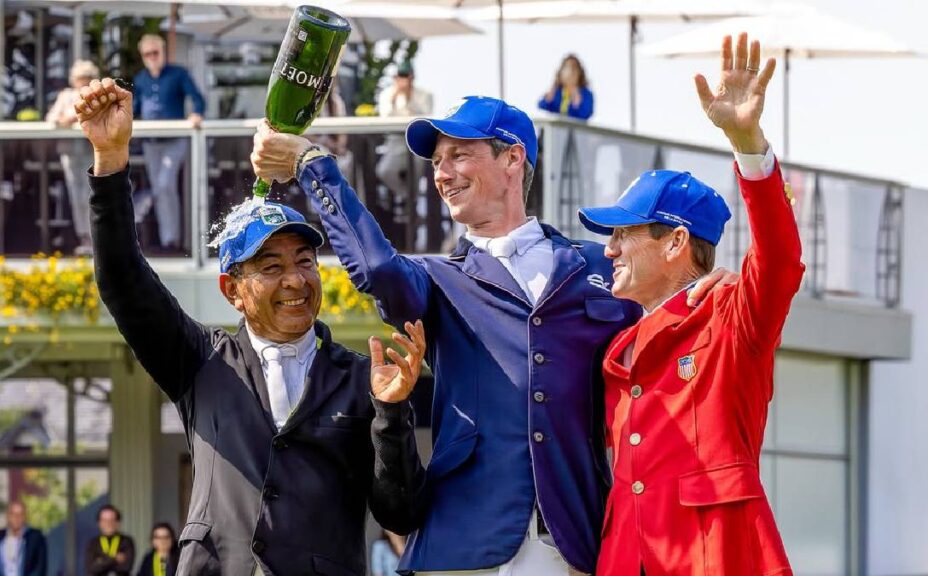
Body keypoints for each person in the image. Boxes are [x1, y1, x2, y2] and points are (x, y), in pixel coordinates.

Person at [252, 94, 732, 573]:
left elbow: (676, 316)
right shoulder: (437, 278)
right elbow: (376, 267)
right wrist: (312, 165)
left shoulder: (599, 266)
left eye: (459, 154)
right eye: (437, 162)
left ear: (513, 157)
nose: (442, 173)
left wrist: (710, 284)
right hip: (463, 541)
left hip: (572, 542)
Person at [74, 77, 426, 575]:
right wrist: (110, 160)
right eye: (270, 267)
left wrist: (391, 415)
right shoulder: (201, 362)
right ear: (232, 291)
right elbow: (122, 281)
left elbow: (401, 512)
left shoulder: (359, 378)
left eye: (305, 261)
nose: (294, 280)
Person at [578, 33, 801, 575]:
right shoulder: (618, 344)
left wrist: (748, 143)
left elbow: (779, 260)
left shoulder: (731, 318)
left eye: (623, 234)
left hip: (715, 558)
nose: (607, 250)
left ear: (675, 243)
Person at [132, 34, 206, 253]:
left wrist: (196, 114)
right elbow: (135, 107)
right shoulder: (141, 78)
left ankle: (172, 239)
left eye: (155, 52)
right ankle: (168, 240)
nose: (152, 57)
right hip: (150, 141)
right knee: (160, 189)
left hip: (175, 139)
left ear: (163, 52)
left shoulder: (178, 74)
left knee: (165, 185)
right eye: (147, 54)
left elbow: (198, 98)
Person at [46, 59, 99, 255]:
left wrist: (74, 119)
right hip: (68, 150)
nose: (81, 82)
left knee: (89, 194)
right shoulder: (65, 96)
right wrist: (62, 120)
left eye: (86, 78)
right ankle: (83, 237)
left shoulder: (96, 95)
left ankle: (94, 237)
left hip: (89, 150)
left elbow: (96, 118)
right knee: (75, 195)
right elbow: (51, 118)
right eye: (78, 78)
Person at [375, 61, 433, 198]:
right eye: (399, 76)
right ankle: (407, 197)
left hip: (417, 142)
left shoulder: (425, 95)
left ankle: (412, 202)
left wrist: (409, 97)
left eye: (405, 75)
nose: (403, 79)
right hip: (395, 142)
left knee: (417, 168)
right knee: (384, 171)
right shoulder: (386, 95)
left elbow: (425, 118)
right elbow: (385, 118)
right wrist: (394, 99)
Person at [0, 501, 48, 576]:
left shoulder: (36, 538)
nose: (17, 518)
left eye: (20, 514)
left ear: (25, 517)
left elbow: (40, 568)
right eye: (13, 514)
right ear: (8, 516)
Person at [538, 54, 594, 121]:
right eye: (567, 67)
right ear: (561, 72)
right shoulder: (556, 92)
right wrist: (551, 93)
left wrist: (576, 99)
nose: (570, 72)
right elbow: (542, 106)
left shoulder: (586, 94)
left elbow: (585, 114)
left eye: (574, 68)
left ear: (579, 73)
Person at [85, 504, 136, 576]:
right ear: (99, 523)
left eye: (112, 520)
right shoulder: (93, 543)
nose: (108, 524)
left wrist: (101, 560)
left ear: (118, 523)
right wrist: (114, 558)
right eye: (104, 520)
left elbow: (126, 567)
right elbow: (91, 568)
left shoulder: (126, 541)